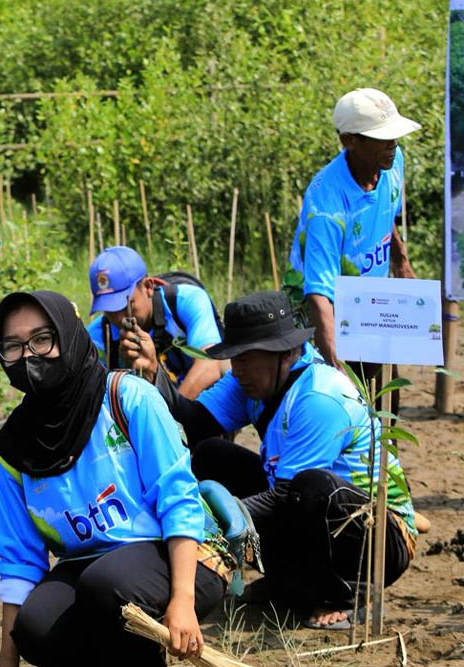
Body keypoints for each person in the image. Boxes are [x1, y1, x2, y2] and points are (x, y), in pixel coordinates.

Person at [0, 291, 229, 667]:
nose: (29, 357)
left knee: (106, 583)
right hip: (95, 569)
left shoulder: (127, 399)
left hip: (181, 558)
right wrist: (8, 660)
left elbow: (179, 501)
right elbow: (19, 560)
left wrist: (182, 600)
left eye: (42, 340)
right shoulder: (11, 449)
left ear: (69, 336)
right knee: (36, 625)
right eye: (13, 347)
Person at [151, 291, 417, 630]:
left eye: (246, 358)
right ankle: (291, 584)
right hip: (302, 507)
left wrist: (213, 522)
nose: (237, 370)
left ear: (286, 353)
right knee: (210, 455)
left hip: (378, 536)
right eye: (234, 358)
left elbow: (289, 495)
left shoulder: (318, 395)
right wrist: (153, 374)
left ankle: (346, 594)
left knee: (312, 487)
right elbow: (194, 421)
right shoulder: (248, 382)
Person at [287, 87, 419, 372]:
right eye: (382, 137)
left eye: (393, 134)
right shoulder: (327, 205)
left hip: (368, 303)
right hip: (319, 315)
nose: (393, 143)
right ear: (349, 141)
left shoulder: (392, 163)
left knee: (378, 385)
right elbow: (319, 294)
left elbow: (387, 214)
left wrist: (402, 265)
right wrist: (338, 370)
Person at [85, 247, 224, 399]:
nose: (119, 319)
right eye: (109, 309)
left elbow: (210, 365)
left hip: (201, 403)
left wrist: (172, 418)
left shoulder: (187, 301)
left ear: (148, 287)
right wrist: (124, 369)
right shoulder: (98, 335)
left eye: (126, 306)